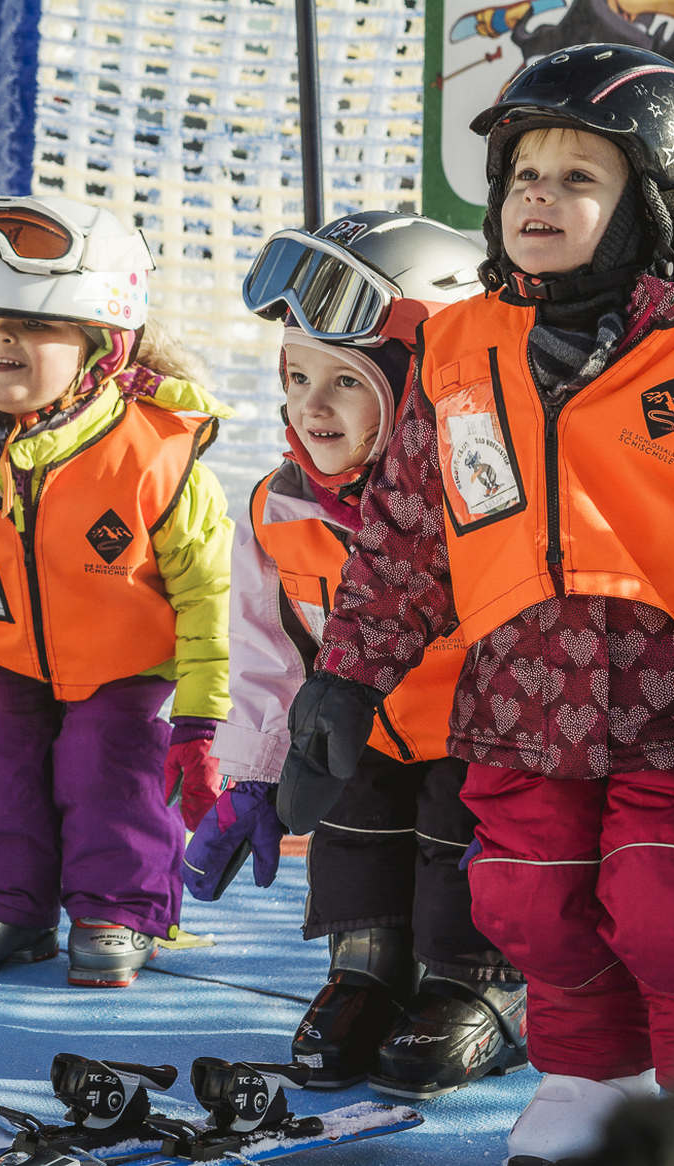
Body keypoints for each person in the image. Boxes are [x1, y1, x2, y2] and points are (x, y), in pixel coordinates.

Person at [276, 44, 674, 1166]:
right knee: (532, 913)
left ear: (662, 208)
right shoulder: (460, 348)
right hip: (519, 705)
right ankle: (588, 1088)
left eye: (580, 177)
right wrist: (346, 676)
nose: (538, 192)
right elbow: (403, 536)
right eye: (524, 172)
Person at [182, 211, 528, 1099]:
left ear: (421, 389)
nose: (312, 406)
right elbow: (268, 653)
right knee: (348, 819)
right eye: (298, 376)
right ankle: (367, 966)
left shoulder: (493, 501)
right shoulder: (277, 508)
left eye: (346, 381)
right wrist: (257, 770)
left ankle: (476, 983)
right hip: (366, 732)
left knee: (464, 837)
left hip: (479, 743)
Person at [0, 194, 233, 988]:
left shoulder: (153, 459)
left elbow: (213, 600)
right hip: (0, 655)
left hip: (128, 666)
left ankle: (120, 905)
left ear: (104, 347)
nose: (2, 337)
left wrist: (205, 725)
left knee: (112, 764)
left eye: (35, 323)